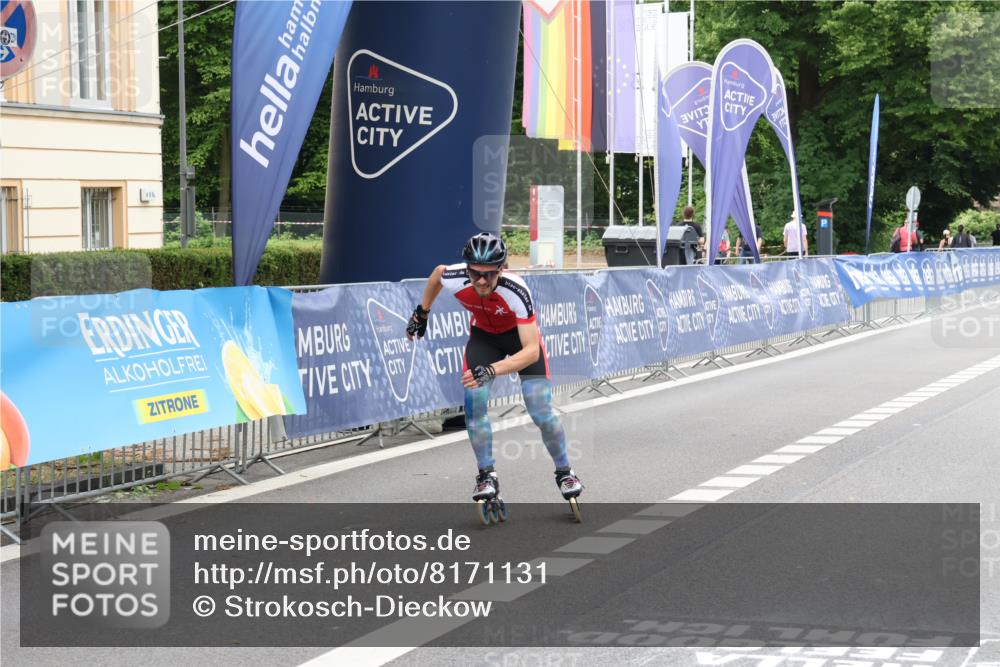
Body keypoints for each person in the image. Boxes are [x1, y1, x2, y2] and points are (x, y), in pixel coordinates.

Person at [406, 232, 583, 503]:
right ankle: (486, 475)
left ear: (502, 268)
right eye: (475, 273)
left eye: (489, 274)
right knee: (474, 405)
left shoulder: (516, 290)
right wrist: (422, 312)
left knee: (541, 410)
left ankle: (565, 471)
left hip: (519, 341)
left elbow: (531, 351)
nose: (481, 280)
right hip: (484, 339)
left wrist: (492, 370)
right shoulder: (456, 276)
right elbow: (437, 274)